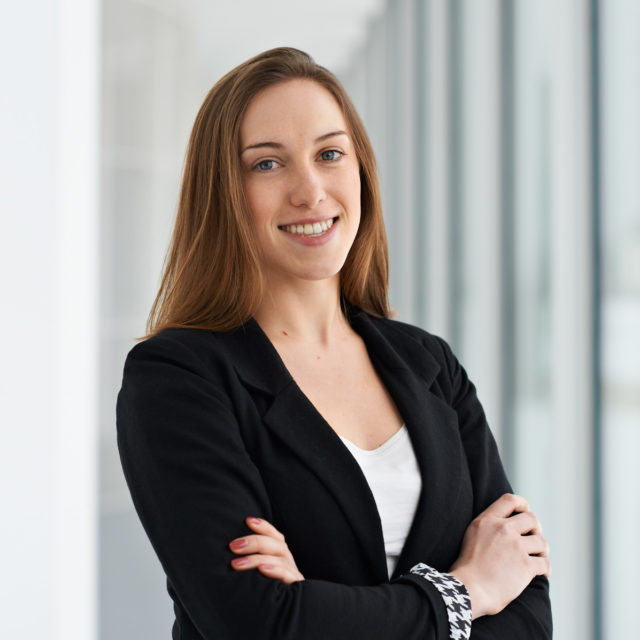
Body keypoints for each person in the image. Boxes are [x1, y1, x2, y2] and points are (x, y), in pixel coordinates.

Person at [116, 47, 552, 639]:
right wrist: (470, 590)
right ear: (222, 193)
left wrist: (327, 607)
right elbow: (263, 625)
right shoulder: (178, 378)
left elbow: (527, 612)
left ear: (361, 170)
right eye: (267, 164)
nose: (310, 191)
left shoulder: (430, 365)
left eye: (329, 154)